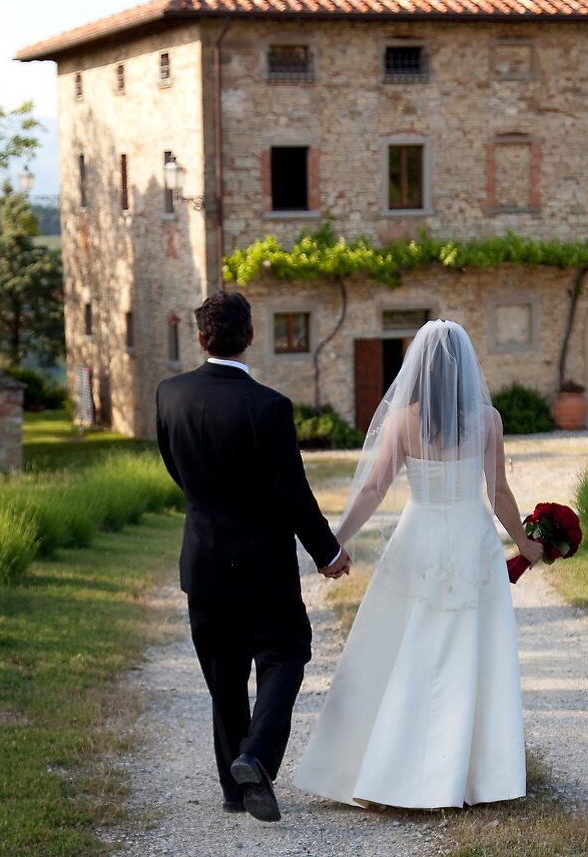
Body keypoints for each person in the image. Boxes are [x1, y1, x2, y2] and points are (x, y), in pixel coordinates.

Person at [293, 319, 542, 809]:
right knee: (472, 654)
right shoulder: (487, 420)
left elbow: (373, 488)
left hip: (419, 540)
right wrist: (525, 543)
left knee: (406, 652)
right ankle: (474, 776)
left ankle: (391, 771)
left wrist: (333, 543)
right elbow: (499, 493)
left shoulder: (403, 420)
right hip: (472, 542)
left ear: (419, 369)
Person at [155, 290, 351, 822]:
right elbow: (292, 493)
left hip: (203, 564)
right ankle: (256, 759)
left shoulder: (169, 395)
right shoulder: (268, 406)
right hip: (264, 567)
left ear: (200, 338)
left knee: (224, 676)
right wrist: (328, 552)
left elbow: (178, 470)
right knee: (286, 656)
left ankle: (233, 789)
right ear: (251, 336)